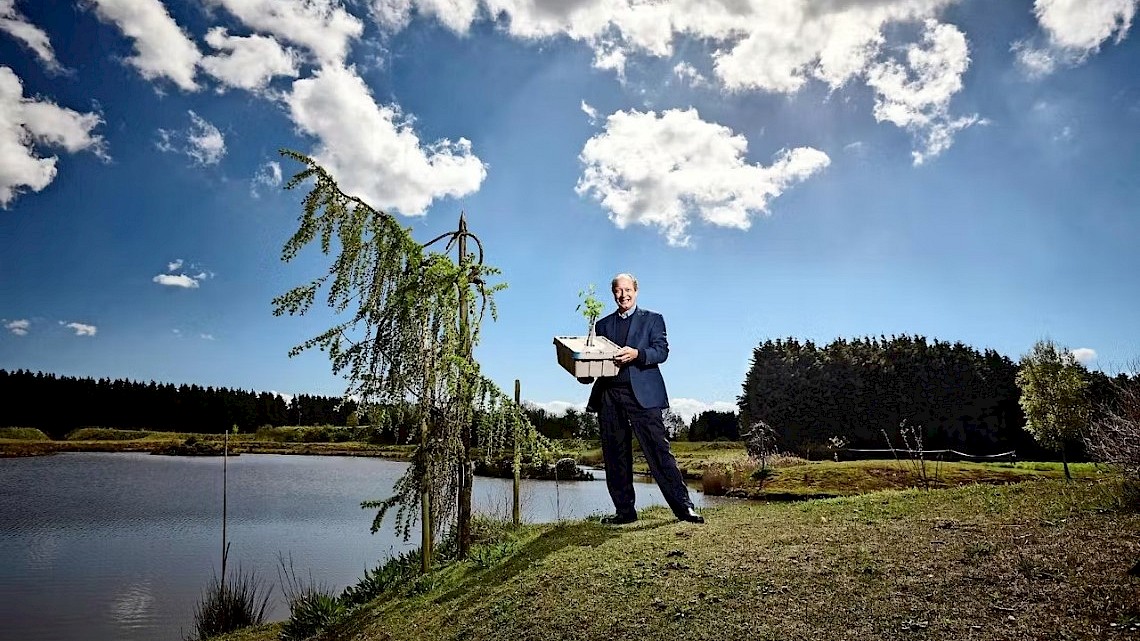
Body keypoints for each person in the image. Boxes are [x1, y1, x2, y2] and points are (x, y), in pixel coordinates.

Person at [578, 273, 704, 525]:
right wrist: (582, 371)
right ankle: (624, 512)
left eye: (627, 290)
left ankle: (684, 508)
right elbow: (596, 361)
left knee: (659, 452)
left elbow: (661, 352)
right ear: (612, 293)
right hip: (609, 396)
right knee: (615, 456)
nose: (622, 295)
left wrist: (637, 353)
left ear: (636, 291)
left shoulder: (653, 319)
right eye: (617, 291)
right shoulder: (602, 325)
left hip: (643, 396)